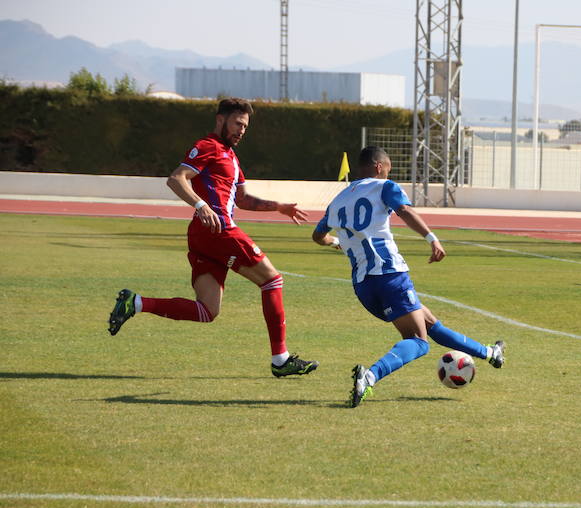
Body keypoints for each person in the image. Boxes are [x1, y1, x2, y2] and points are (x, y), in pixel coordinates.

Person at [108, 97, 318, 378]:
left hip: (205, 235)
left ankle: (134, 303)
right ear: (220, 120)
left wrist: (277, 207)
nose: (242, 130)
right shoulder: (208, 146)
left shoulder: (231, 156)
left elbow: (242, 199)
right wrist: (201, 205)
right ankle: (280, 359)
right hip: (217, 230)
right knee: (272, 280)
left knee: (207, 310)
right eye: (237, 124)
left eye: (245, 126)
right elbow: (176, 178)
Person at [312, 146, 505, 407]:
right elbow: (404, 211)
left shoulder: (337, 201)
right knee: (418, 341)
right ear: (379, 167)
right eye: (388, 169)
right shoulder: (384, 186)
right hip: (389, 274)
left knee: (429, 323)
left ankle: (490, 354)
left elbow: (317, 236)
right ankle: (369, 377)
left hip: (363, 285)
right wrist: (432, 239)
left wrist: (338, 242)